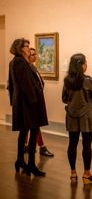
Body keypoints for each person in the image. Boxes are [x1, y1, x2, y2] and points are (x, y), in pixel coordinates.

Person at [8, 38, 48, 176]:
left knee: (25, 132)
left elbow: (12, 86)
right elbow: (25, 85)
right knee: (33, 131)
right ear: (19, 48)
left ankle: (20, 160)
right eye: (26, 46)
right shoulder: (20, 62)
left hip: (25, 103)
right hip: (29, 104)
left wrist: (14, 102)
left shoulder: (15, 62)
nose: (28, 48)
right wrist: (34, 102)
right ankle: (30, 164)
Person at [62, 53, 92, 184]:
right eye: (85, 63)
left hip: (72, 115)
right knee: (87, 145)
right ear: (80, 65)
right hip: (87, 116)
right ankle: (87, 174)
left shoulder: (67, 80)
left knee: (72, 144)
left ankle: (73, 173)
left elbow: (64, 99)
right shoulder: (89, 81)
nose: (86, 65)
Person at [23, 48, 54, 157]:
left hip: (36, 102)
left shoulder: (33, 68)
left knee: (32, 126)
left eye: (35, 54)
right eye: (32, 54)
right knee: (32, 126)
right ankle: (41, 146)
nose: (35, 56)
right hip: (31, 103)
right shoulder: (27, 69)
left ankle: (29, 145)